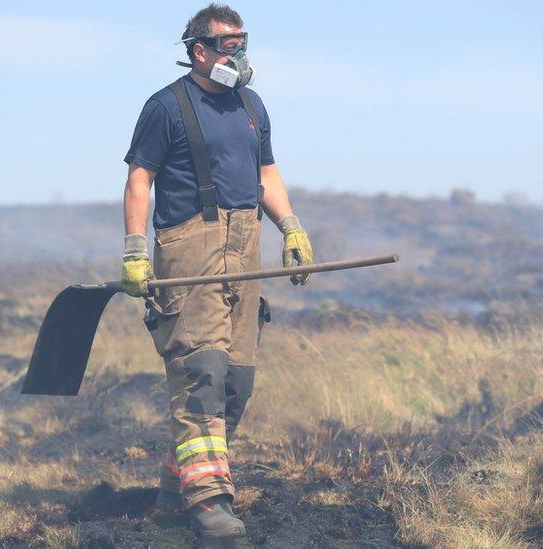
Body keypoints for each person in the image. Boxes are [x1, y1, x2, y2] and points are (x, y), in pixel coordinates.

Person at [121, 3, 313, 540]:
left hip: (244, 249)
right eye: (228, 45)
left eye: (242, 43)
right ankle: (211, 504)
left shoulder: (251, 106)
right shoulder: (165, 107)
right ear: (199, 51)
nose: (239, 54)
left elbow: (266, 173)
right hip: (190, 250)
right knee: (200, 373)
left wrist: (291, 228)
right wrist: (136, 250)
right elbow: (140, 180)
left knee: (235, 385)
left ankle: (170, 493)